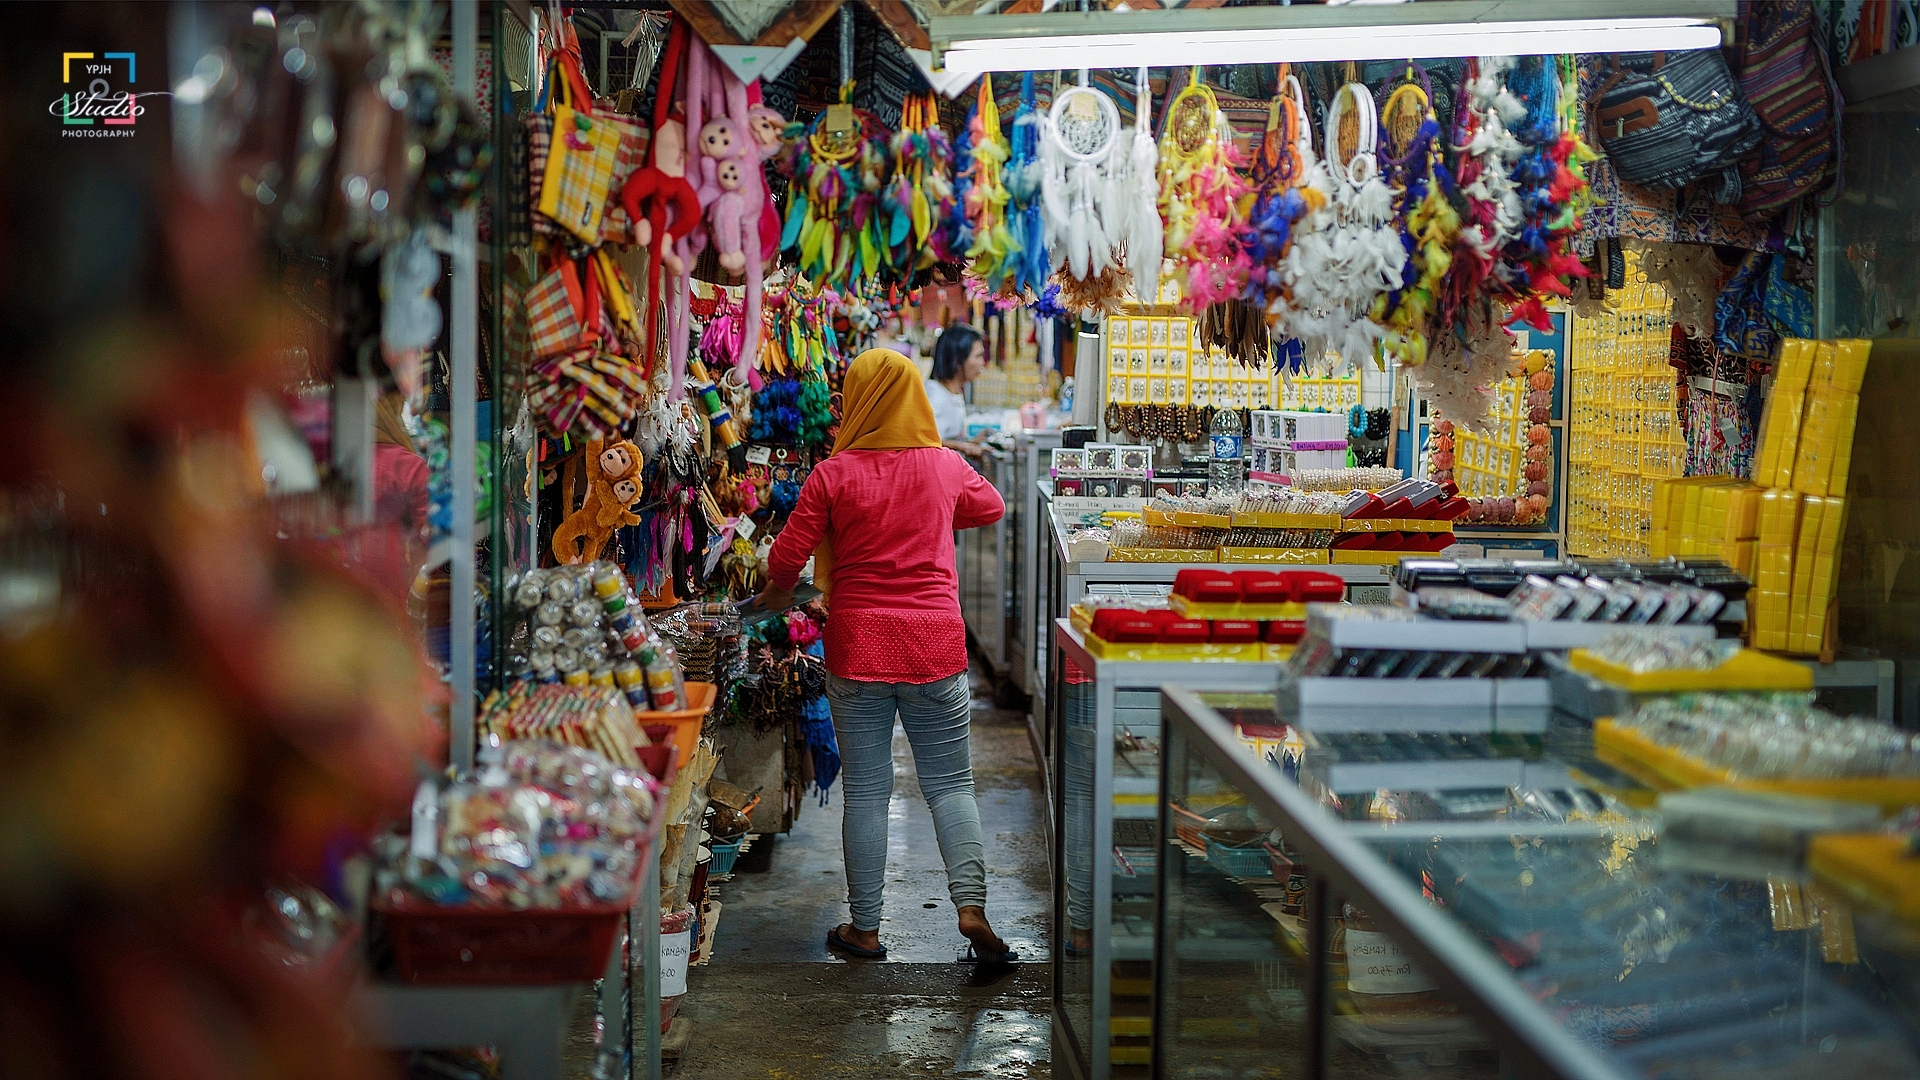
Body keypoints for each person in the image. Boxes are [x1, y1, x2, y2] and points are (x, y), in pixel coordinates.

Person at [756, 349, 1016, 964]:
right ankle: (972, 906)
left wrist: (785, 589)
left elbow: (783, 563)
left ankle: (865, 930)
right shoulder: (947, 467)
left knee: (869, 791)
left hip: (857, 646)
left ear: (860, 398)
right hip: (935, 646)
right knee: (951, 785)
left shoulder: (832, 474)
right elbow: (991, 507)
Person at [925, 323, 988, 459]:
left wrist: (970, 443)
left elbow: (946, 439)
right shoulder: (935, 396)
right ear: (958, 360)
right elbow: (926, 443)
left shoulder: (954, 393)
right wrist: (962, 446)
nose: (982, 363)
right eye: (978, 356)